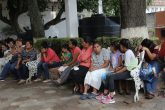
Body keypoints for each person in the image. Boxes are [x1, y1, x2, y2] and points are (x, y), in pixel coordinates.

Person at [96, 39, 137, 104]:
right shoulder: (128, 52)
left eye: (120, 46)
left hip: (129, 73)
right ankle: (105, 94)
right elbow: (125, 65)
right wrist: (118, 69)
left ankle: (111, 97)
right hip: (128, 71)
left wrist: (117, 72)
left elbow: (126, 68)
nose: (119, 47)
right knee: (108, 75)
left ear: (123, 46)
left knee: (111, 76)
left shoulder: (127, 53)